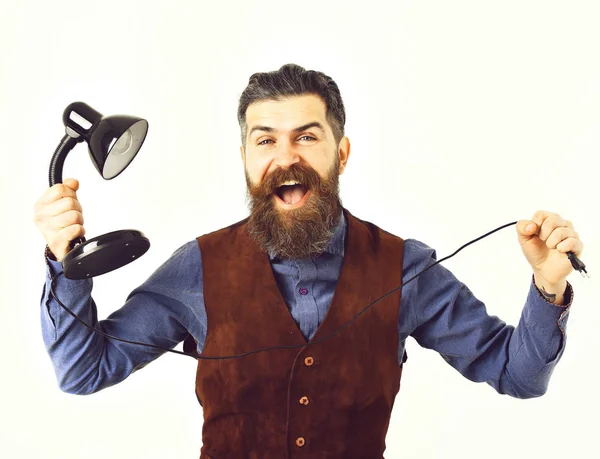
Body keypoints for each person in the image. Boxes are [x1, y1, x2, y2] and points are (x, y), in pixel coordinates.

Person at [33, 63, 583, 459]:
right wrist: (64, 261)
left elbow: (519, 374)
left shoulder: (404, 269)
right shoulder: (198, 267)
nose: (285, 157)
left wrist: (547, 285)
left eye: (307, 136)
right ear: (245, 158)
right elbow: (83, 371)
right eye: (265, 140)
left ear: (340, 153)